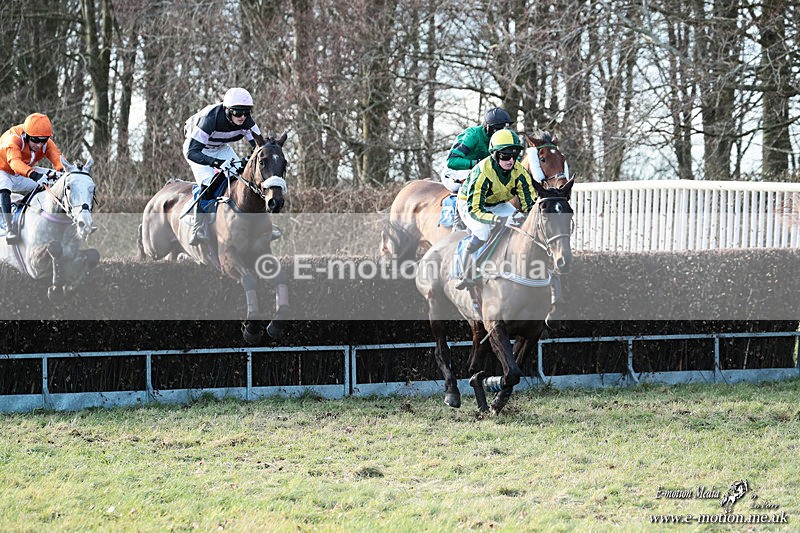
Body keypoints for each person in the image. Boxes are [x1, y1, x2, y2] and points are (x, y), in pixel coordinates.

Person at [182, 87, 265, 245]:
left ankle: (261, 223)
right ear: (227, 110)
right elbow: (192, 152)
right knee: (209, 183)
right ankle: (198, 227)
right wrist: (216, 163)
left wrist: (249, 160)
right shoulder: (210, 119)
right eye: (237, 112)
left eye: (246, 112)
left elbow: (260, 147)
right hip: (198, 149)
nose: (242, 117)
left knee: (242, 178)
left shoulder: (247, 122)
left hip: (221, 148)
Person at [454, 128, 534, 290]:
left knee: (521, 225)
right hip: (470, 205)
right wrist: (499, 219)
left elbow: (529, 205)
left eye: (515, 155)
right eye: (505, 156)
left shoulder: (520, 172)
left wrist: (528, 217)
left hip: (498, 203)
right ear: (495, 154)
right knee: (483, 231)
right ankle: (466, 271)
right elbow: (475, 210)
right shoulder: (483, 172)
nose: (511, 160)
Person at [0, 113, 64, 243]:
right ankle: (9, 228)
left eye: (44, 140)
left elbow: (57, 158)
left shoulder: (45, 143)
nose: (39, 145)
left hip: (23, 172)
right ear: (27, 135)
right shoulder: (13, 139)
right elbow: (15, 163)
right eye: (35, 140)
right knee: (4, 184)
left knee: (60, 179)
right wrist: (34, 175)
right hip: (4, 171)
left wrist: (63, 172)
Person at [440, 107, 513, 193]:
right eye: (498, 129)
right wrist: (478, 163)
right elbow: (452, 162)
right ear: (488, 127)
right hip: (454, 173)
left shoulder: (502, 139)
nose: (501, 133)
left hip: (482, 172)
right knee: (479, 179)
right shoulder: (472, 135)